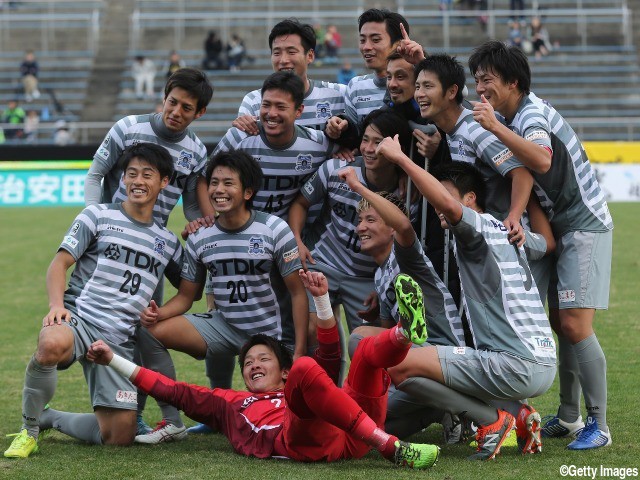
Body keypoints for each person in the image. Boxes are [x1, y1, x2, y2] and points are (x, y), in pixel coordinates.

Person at [85, 269, 440, 469]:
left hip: (351, 432)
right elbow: (169, 390)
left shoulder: (296, 379)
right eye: (248, 363)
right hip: (306, 441)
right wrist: (111, 358)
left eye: (264, 359)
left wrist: (321, 299)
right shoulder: (228, 402)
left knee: (362, 353)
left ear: (281, 372)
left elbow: (331, 356)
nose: (254, 364)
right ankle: (391, 446)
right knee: (307, 366)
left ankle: (403, 333)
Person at [355, 149, 556, 461]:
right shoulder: (508, 232)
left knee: (398, 366)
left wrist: (401, 159)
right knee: (381, 412)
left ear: (470, 199)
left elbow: (440, 211)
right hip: (542, 363)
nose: (437, 206)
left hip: (514, 364)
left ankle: (491, 422)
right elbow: (547, 243)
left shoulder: (477, 231)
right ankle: (516, 413)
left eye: (443, 195)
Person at [468, 40, 614, 450]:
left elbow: (542, 160)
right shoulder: (512, 114)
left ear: (513, 82)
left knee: (574, 325)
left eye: (488, 80)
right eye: (476, 80)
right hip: (563, 227)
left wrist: (494, 127)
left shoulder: (528, 115)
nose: (480, 89)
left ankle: (599, 425)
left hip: (584, 225)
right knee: (559, 324)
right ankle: (569, 417)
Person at [3, 144, 184, 459]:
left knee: (118, 437)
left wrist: (164, 312)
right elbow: (59, 264)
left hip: (119, 340)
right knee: (51, 342)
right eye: (131, 174)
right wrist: (56, 306)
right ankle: (29, 431)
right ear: (122, 179)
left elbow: (190, 289)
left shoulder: (167, 242)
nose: (138, 181)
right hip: (81, 320)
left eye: (147, 174)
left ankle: (50, 417)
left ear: (164, 182)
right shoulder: (97, 215)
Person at [133, 150, 310, 444]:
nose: (218, 190)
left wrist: (300, 349)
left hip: (271, 335)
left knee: (283, 415)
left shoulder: (274, 229)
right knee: (149, 332)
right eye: (214, 183)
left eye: (228, 183)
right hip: (224, 326)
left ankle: (225, 410)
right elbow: (187, 296)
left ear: (248, 192)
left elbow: (296, 292)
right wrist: (157, 315)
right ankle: (174, 421)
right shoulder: (201, 236)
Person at [84, 67, 214, 435]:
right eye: (172, 102)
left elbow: (191, 203)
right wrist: (96, 217)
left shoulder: (196, 151)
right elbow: (95, 175)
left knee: (144, 331)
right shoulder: (127, 128)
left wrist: (198, 227)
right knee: (92, 325)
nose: (176, 111)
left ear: (199, 113)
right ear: (164, 95)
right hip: (108, 247)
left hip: (152, 254)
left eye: (187, 108)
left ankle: (142, 414)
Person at [234, 19, 346, 137]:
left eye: (291, 52)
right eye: (277, 53)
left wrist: (345, 145)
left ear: (310, 56)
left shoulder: (339, 95)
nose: (283, 60)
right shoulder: (253, 101)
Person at [325, 9, 411, 150]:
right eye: (362, 40)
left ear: (398, 44)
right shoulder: (356, 86)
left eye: (375, 40)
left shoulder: (417, 84)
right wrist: (340, 130)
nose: (366, 47)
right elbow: (357, 137)